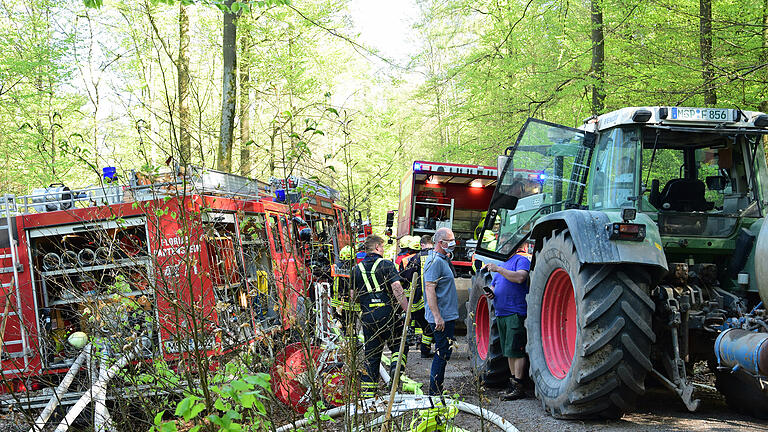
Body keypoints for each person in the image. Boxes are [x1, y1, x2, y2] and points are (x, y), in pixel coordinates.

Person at [350, 235, 409, 398]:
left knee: (372, 354)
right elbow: (397, 288)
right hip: (387, 314)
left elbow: (353, 295)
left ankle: (368, 394)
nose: (383, 250)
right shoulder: (386, 264)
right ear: (376, 247)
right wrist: (407, 309)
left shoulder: (356, 269)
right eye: (382, 247)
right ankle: (395, 378)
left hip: (368, 317)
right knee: (399, 344)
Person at [484, 247, 531, 401]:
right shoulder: (503, 263)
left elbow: (520, 278)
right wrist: (490, 291)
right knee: (508, 351)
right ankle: (512, 383)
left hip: (514, 311)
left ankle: (519, 385)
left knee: (516, 350)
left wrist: (498, 269)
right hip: (501, 313)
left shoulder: (520, 260)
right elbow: (495, 285)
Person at [423, 227, 459, 395]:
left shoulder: (442, 259)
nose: (453, 243)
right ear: (440, 243)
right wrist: (437, 317)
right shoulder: (435, 262)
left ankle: (437, 387)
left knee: (444, 352)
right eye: (449, 240)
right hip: (441, 317)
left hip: (447, 315)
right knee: (441, 353)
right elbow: (430, 289)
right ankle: (434, 391)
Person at [400, 235, 435, 358]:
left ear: (422, 245)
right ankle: (425, 349)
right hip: (435, 298)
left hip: (419, 299)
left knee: (424, 324)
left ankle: (423, 347)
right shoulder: (439, 257)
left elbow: (405, 276)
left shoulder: (415, 258)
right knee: (430, 324)